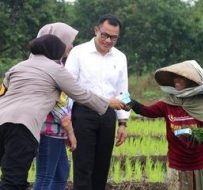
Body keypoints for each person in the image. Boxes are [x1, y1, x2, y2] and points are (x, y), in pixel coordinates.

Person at [0, 34, 124, 190]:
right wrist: (107, 102)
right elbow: (81, 94)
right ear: (54, 51)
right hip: (23, 127)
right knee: (13, 181)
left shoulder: (18, 66)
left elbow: (3, 91)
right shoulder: (56, 69)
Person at [129, 60, 203, 190]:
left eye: (181, 78)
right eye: (175, 77)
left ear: (190, 81)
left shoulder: (202, 103)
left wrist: (189, 132)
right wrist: (130, 102)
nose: (176, 80)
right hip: (178, 163)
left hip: (202, 163)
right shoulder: (168, 102)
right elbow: (147, 111)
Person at [65, 14, 130, 190]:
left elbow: (123, 91)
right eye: (105, 35)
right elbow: (68, 87)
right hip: (83, 114)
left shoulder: (120, 57)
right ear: (96, 30)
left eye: (114, 38)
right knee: (83, 166)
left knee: (102, 167)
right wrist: (67, 118)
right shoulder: (78, 52)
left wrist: (123, 122)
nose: (108, 40)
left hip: (108, 116)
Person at [32, 23, 78, 190]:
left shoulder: (57, 65)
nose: (72, 46)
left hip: (56, 131)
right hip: (48, 130)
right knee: (45, 177)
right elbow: (57, 104)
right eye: (69, 41)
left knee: (60, 174)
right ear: (57, 42)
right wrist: (70, 131)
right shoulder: (48, 69)